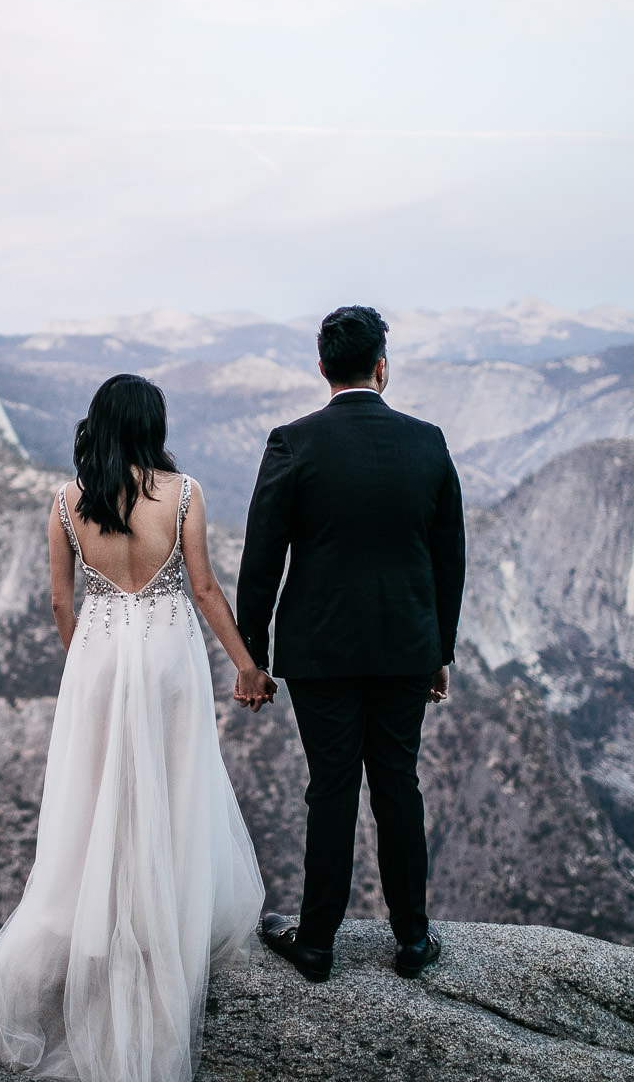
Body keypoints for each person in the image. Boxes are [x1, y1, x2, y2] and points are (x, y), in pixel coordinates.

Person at [0, 373, 269, 1082]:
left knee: (100, 796)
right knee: (171, 783)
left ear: (98, 424)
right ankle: (163, 924)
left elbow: (60, 600)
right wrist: (247, 666)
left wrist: (88, 667)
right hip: (166, 657)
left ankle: (97, 925)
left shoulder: (68, 501)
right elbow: (204, 589)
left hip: (98, 660)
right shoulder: (183, 493)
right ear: (151, 424)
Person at [236, 305, 466, 983]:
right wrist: (439, 650)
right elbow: (449, 558)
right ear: (382, 369)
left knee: (330, 788)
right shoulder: (429, 443)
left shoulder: (292, 443)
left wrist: (253, 650)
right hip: (405, 647)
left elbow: (261, 556)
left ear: (322, 370)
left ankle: (316, 943)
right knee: (398, 784)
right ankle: (414, 941)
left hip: (319, 650)